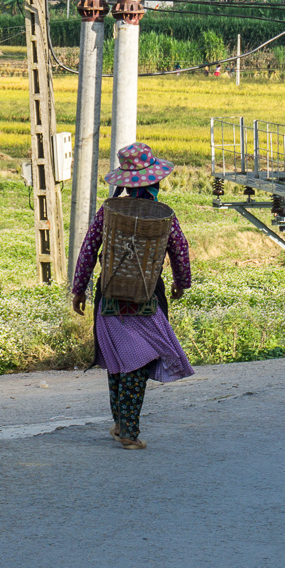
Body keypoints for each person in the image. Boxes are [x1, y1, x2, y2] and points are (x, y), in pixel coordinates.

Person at [71, 143, 194, 450]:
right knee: (138, 363)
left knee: (118, 361)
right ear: (155, 180)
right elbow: (179, 251)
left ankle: (121, 422)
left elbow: (88, 250)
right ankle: (128, 431)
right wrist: (182, 283)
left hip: (109, 299)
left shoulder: (109, 212)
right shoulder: (165, 215)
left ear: (124, 182)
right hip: (147, 302)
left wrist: (79, 289)